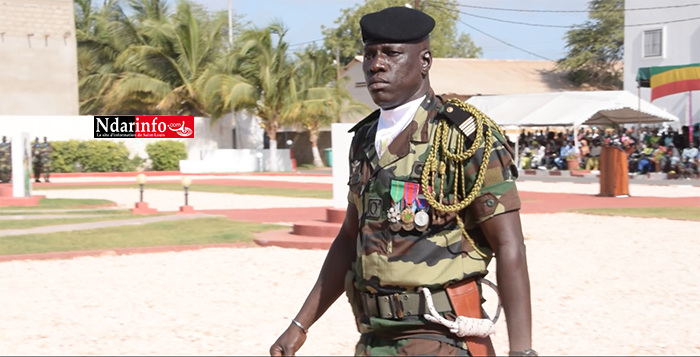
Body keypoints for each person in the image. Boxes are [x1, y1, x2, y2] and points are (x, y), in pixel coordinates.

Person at [269, 7, 535, 357]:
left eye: (391, 53)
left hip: (442, 337)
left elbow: (509, 245)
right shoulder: (364, 139)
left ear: (424, 61)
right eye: (370, 54)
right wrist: (300, 326)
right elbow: (349, 238)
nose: (376, 65)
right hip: (374, 338)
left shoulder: (463, 138)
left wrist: (523, 351)